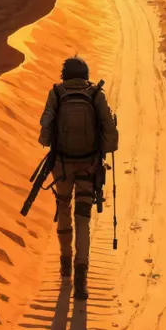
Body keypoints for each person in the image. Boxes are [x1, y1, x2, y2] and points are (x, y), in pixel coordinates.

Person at [38, 56, 118, 300]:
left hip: (62, 165)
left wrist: (50, 141)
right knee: (83, 218)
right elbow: (110, 132)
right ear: (85, 74)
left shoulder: (56, 92)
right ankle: (81, 276)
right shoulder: (96, 95)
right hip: (88, 166)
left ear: (65, 75)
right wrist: (101, 152)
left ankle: (65, 265)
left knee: (63, 208)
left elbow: (45, 127)